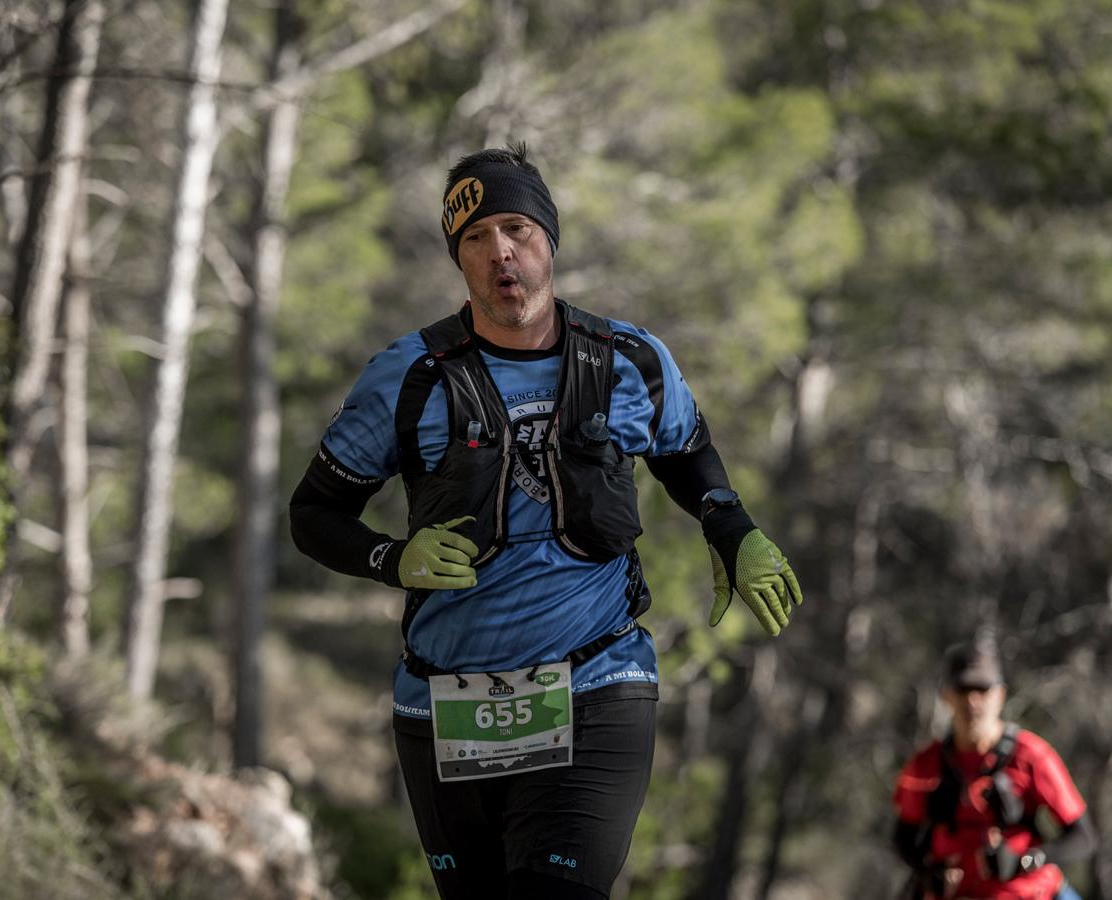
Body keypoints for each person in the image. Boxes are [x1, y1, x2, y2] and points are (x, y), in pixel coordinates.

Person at [289, 143, 803, 900]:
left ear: (548, 240)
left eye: (516, 229)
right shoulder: (408, 377)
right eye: (475, 238)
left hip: (596, 678)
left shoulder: (631, 360)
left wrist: (735, 530)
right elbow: (313, 514)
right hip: (444, 700)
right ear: (458, 261)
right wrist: (390, 559)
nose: (500, 251)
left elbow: (688, 454)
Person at [892, 633, 1098, 900]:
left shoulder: (1032, 755)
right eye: (963, 690)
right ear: (946, 696)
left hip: (1028, 892)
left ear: (1000, 695)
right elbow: (903, 837)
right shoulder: (925, 764)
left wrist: (1026, 860)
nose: (972, 701)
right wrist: (928, 872)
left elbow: (1083, 838)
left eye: (982, 689)